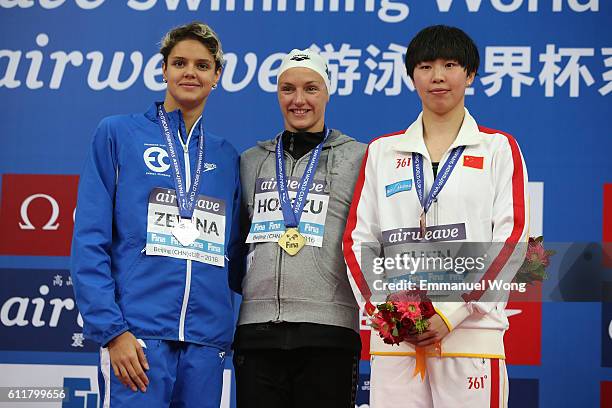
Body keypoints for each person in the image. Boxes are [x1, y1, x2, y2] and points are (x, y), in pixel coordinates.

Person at [343, 25, 529, 408]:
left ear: (470, 73)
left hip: (472, 336)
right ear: (412, 75)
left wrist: (453, 311)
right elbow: (358, 241)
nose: (438, 76)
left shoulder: (498, 149)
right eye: (426, 66)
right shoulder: (382, 151)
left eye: (450, 65)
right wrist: (390, 315)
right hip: (397, 340)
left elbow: (512, 239)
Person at [70, 21, 243, 407]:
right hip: (137, 338)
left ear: (217, 75)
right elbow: (89, 240)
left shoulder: (225, 156)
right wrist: (113, 331)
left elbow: (236, 254)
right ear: (163, 69)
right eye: (179, 62)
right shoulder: (117, 134)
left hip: (205, 343)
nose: (190, 73)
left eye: (202, 65)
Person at [232, 48, 366, 408]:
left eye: (311, 88)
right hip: (257, 333)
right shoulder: (250, 161)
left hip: (329, 332)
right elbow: (235, 246)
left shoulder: (360, 157)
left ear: (328, 92)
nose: (298, 100)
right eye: (287, 89)